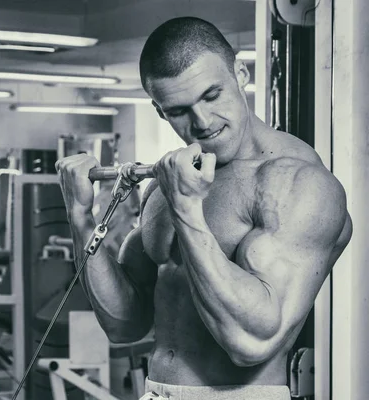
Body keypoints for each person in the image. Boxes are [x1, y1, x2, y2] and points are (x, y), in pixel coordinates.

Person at [55, 17, 352, 400]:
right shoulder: (172, 182)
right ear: (160, 111)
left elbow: (251, 343)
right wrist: (81, 220)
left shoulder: (296, 184)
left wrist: (188, 211)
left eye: (212, 96)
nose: (202, 122)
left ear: (240, 73)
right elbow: (125, 326)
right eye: (179, 110)